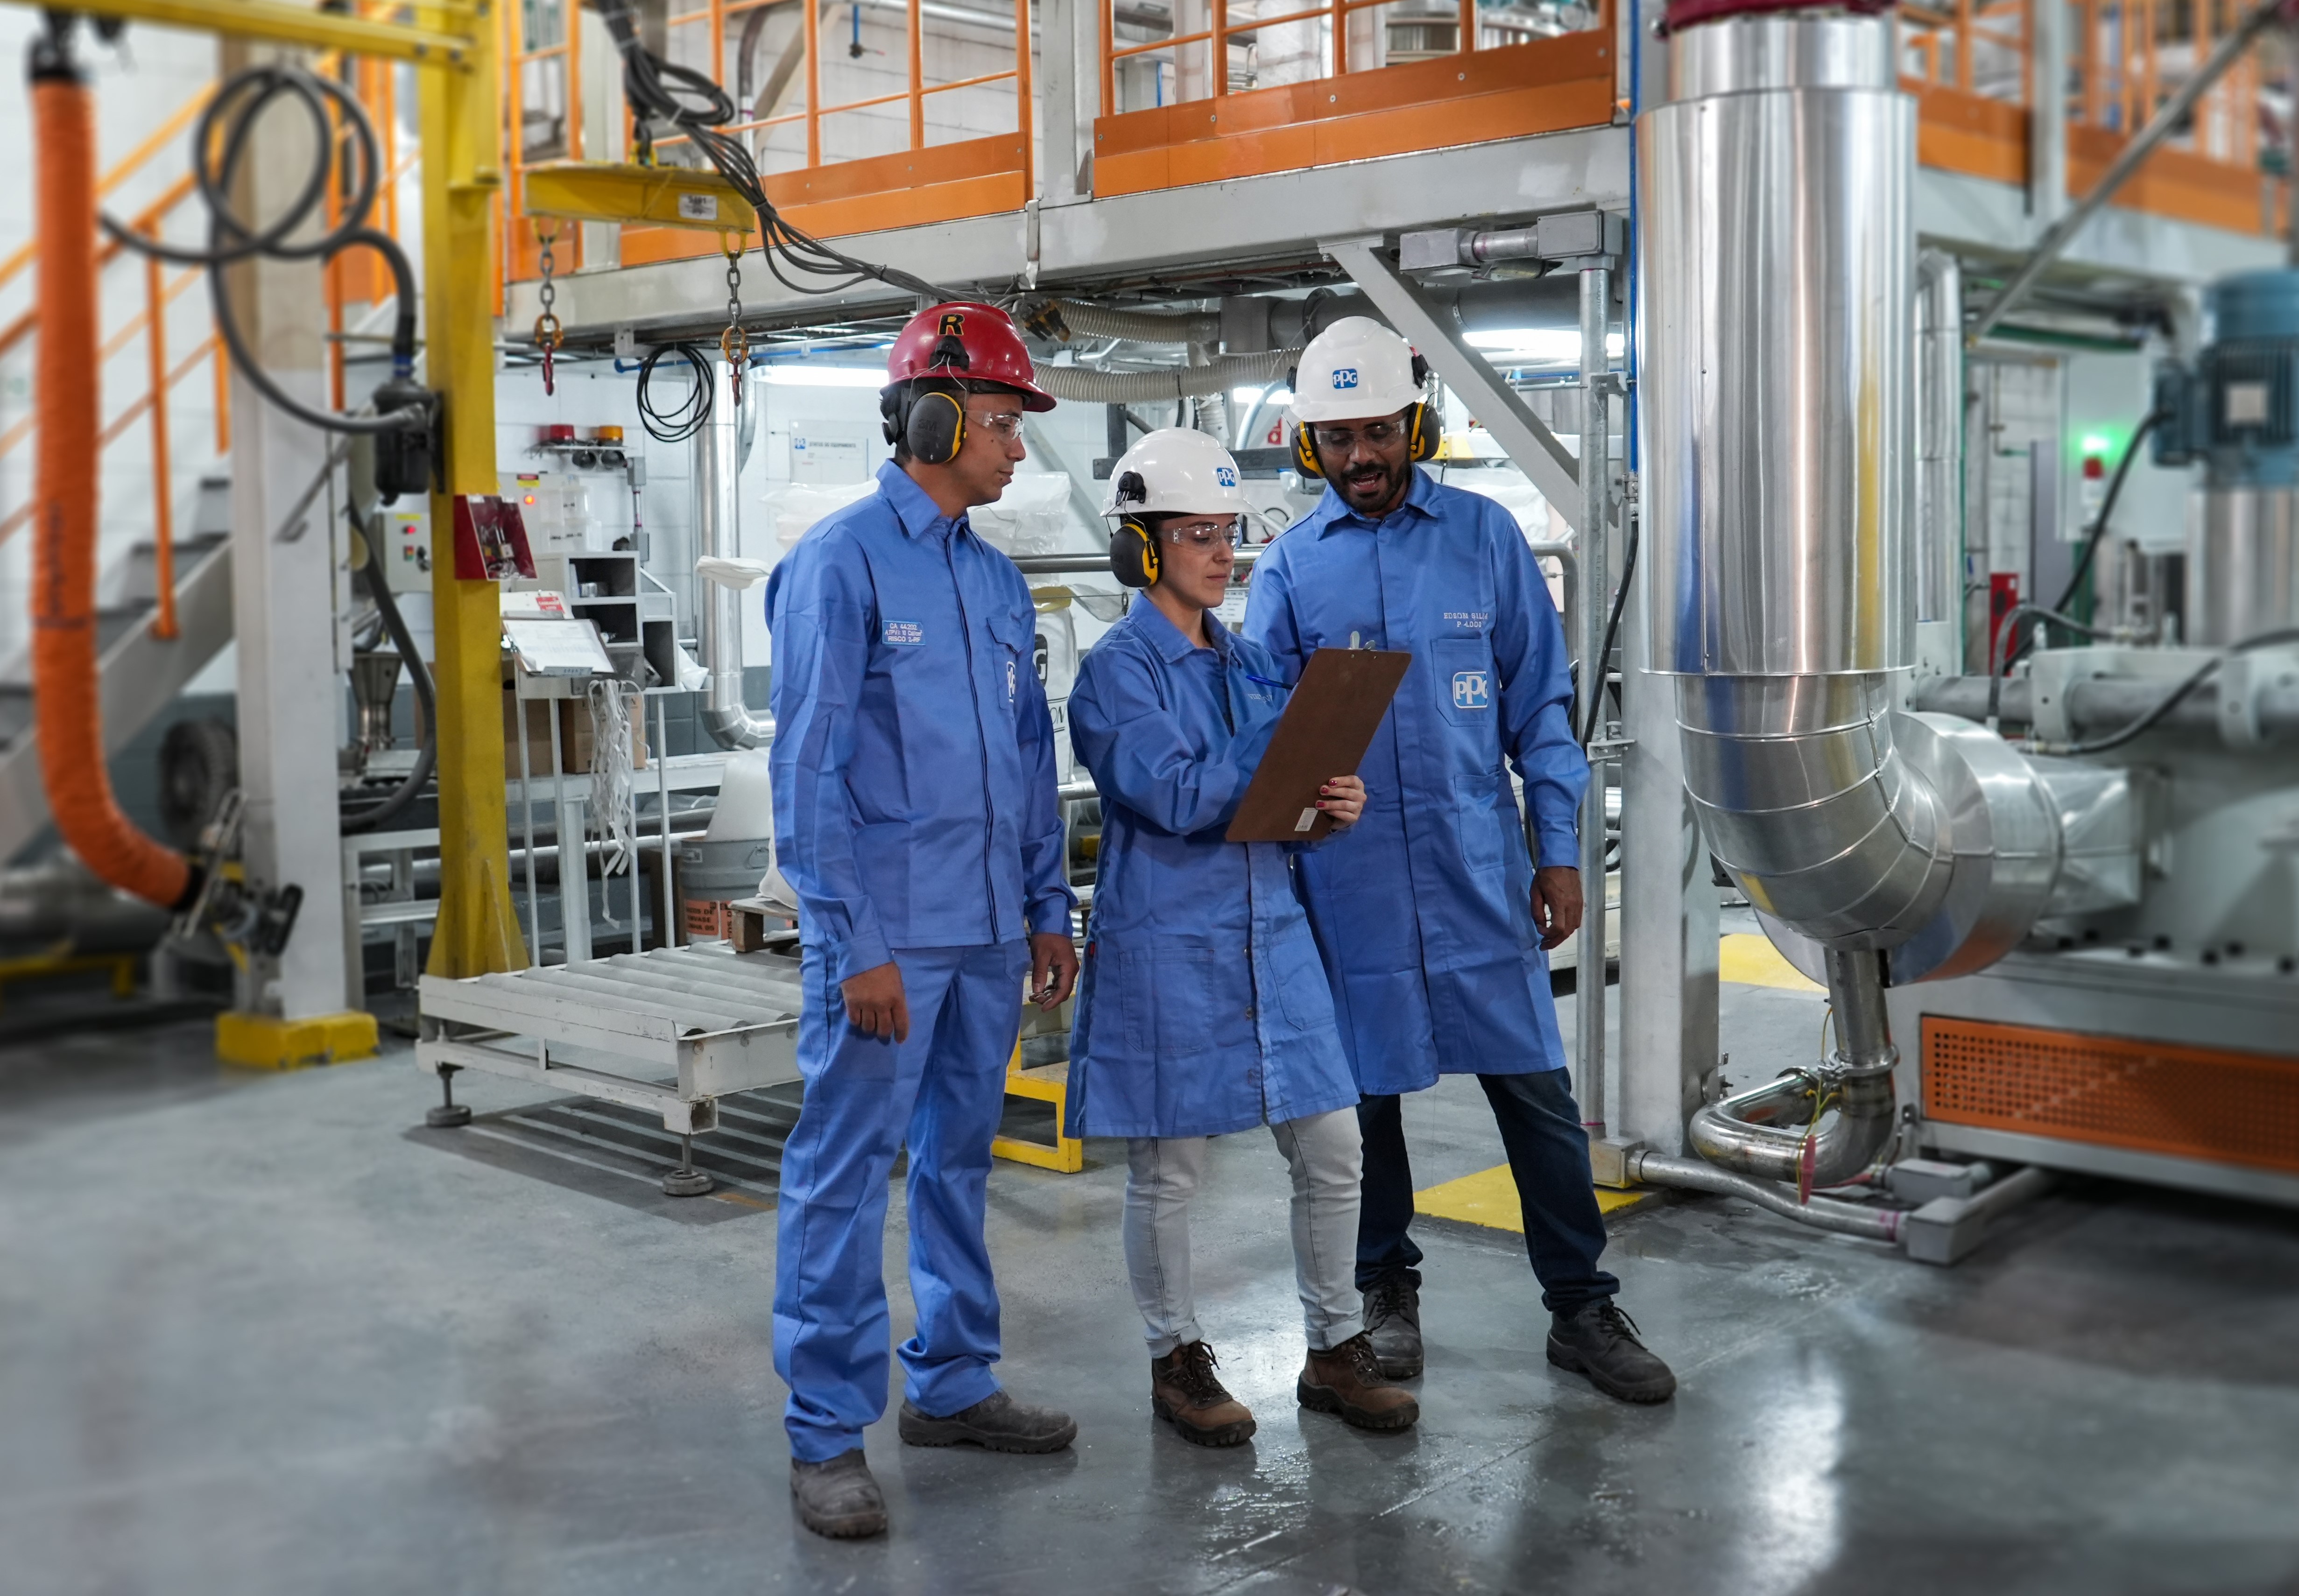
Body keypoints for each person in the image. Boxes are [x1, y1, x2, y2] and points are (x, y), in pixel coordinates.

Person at [1242, 317, 1677, 1405]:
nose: (1358, 459)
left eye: (1376, 432)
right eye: (1335, 439)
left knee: (1534, 1095)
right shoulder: (1292, 569)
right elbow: (1264, 733)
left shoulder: (1486, 542)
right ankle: (1383, 1289)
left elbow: (1539, 710)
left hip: (1476, 875)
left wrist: (1558, 849)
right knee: (1368, 1104)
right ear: (1309, 446)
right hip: (1350, 888)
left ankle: (1579, 1306)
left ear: (1415, 425)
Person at [766, 302, 1083, 1540]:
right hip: (889, 941)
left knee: (959, 1158)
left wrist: (1046, 908)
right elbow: (809, 772)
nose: (1015, 451)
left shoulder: (996, 579)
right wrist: (856, 945)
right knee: (843, 1176)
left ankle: (951, 1383)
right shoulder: (840, 563)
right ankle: (826, 1430)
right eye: (1003, 424)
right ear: (937, 418)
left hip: (990, 934)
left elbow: (1025, 748)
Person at [1067, 428, 1418, 1445]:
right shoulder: (1115, 676)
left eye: (1228, 535)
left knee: (1334, 1147)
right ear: (1142, 548)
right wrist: (1288, 744)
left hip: (1273, 930)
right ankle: (1172, 1357)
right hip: (1169, 942)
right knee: (1170, 1171)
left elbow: (1280, 801)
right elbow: (1174, 795)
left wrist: (1331, 796)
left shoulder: (1254, 659)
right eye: (1196, 536)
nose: (1223, 556)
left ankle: (1334, 1350)